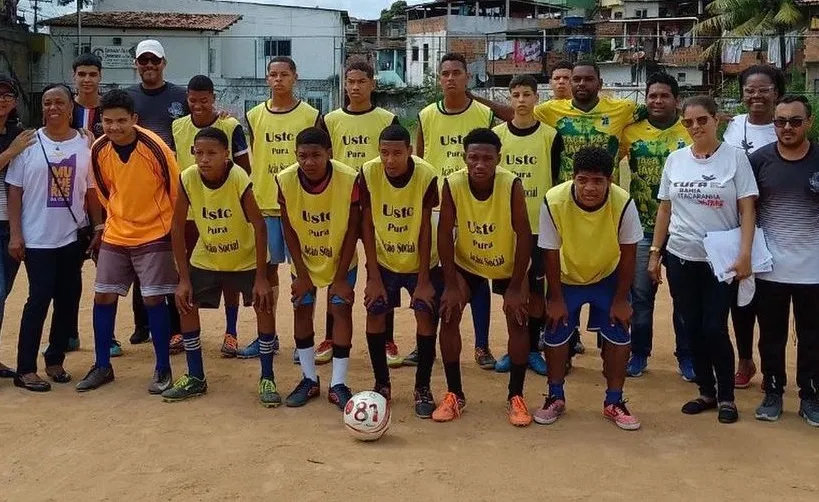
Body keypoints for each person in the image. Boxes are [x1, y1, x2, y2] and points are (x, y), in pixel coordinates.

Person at [650, 95, 757, 424]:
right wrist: (656, 253)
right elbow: (665, 208)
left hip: (720, 260)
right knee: (691, 326)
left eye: (702, 120)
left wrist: (745, 253)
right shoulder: (676, 160)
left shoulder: (735, 159)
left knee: (714, 326)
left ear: (716, 120)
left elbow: (747, 208)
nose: (695, 127)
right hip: (681, 256)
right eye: (688, 122)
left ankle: (727, 396)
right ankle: (706, 391)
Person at [75, 89, 181, 393]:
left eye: (122, 121)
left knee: (153, 299)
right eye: (108, 122)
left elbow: (174, 192)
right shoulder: (99, 149)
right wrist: (114, 220)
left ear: (134, 119)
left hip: (154, 232)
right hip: (117, 232)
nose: (115, 127)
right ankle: (102, 365)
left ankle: (162, 369)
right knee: (103, 296)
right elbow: (104, 190)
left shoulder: (155, 147)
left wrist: (172, 236)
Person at [164, 127, 277, 405]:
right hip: (208, 255)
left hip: (245, 258)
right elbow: (177, 228)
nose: (204, 159)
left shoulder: (237, 176)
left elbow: (260, 227)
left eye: (212, 153)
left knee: (264, 304)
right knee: (186, 302)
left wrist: (262, 277)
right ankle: (195, 376)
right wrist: (183, 278)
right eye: (198, 152)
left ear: (226, 155)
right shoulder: (188, 178)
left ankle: (267, 377)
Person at [537, 146, 643, 431]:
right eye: (582, 180)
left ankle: (614, 401)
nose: (590, 188)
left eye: (598, 181)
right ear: (573, 178)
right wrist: (556, 298)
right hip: (567, 277)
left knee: (619, 333)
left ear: (610, 180)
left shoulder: (623, 202)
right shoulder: (554, 200)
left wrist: (621, 299)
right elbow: (549, 251)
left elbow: (629, 253)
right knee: (556, 332)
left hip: (606, 276)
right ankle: (555, 397)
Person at [433, 127, 533, 427]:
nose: (479, 165)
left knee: (517, 316)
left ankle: (516, 396)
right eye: (473, 158)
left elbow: (525, 234)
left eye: (487, 159)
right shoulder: (452, 183)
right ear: (464, 158)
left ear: (498, 159)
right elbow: (444, 232)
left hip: (507, 263)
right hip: (469, 261)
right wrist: (450, 284)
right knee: (449, 314)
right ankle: (454, 393)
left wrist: (516, 286)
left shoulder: (511, 184)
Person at [6, 84, 100, 391]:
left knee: (68, 299)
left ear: (71, 107)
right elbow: (15, 192)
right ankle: (25, 368)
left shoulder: (84, 145)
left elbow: (90, 191)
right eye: (47, 103)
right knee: (38, 299)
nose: (53, 108)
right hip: (37, 239)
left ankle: (55, 359)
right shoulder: (29, 144)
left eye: (59, 102)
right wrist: (17, 235)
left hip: (71, 237)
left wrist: (98, 227)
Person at [413, 52, 496, 370]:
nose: (450, 78)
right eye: (445, 73)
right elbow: (420, 159)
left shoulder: (483, 114)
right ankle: (425, 344)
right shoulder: (426, 115)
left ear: (466, 77)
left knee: (477, 276)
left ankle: (482, 345)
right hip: (437, 208)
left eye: (456, 73)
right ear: (439, 78)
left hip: (474, 207)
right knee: (436, 277)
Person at [320, 60, 403, 367]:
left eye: (361, 81)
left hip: (375, 203)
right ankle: (331, 335)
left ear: (372, 84)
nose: (355, 87)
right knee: (336, 267)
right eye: (350, 81)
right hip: (340, 204)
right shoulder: (329, 119)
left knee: (380, 268)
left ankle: (387, 338)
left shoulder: (387, 118)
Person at [240, 56, 320, 361]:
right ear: (266, 79)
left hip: (301, 206)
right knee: (266, 272)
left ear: (295, 78)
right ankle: (267, 337)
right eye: (273, 74)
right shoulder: (254, 115)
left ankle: (304, 343)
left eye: (284, 74)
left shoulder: (312, 115)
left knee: (304, 271)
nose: (278, 79)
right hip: (265, 204)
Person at [618, 72, 693, 381]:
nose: (657, 101)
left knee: (684, 298)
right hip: (641, 227)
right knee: (640, 297)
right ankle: (639, 353)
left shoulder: (690, 131)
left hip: (684, 229)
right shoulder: (631, 132)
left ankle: (687, 356)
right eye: (652, 96)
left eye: (664, 96)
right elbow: (608, 164)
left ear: (676, 100)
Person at [277, 127, 359, 410]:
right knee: (302, 309)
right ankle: (309, 378)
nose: (309, 162)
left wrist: (340, 278)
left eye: (316, 155)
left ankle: (338, 383)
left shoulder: (349, 179)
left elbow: (353, 229)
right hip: (305, 257)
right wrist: (301, 273)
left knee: (340, 309)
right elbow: (287, 226)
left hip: (341, 258)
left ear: (329, 154)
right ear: (295, 155)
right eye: (303, 156)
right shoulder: (285, 180)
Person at [359, 124, 439, 414]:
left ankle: (422, 386)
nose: (390, 160)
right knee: (375, 313)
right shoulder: (368, 172)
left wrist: (424, 279)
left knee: (425, 316)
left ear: (410, 151)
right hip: (384, 259)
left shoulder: (427, 174)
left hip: (421, 261)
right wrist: (372, 276)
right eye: (384, 153)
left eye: (396, 153)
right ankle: (382, 383)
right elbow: (365, 223)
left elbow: (424, 227)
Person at [749, 95, 819, 427]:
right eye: (780, 121)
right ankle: (773, 391)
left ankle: (811, 395)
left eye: (794, 121)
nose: (787, 127)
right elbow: (744, 210)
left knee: (813, 337)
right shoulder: (758, 161)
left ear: (809, 122)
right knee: (772, 336)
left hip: (814, 270)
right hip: (770, 269)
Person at [172, 74, 251, 358]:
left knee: (228, 273)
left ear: (213, 98)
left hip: (227, 211)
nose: (198, 106)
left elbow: (245, 169)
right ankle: (186, 330)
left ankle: (231, 332)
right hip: (192, 211)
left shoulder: (230, 126)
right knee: (188, 272)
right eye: (193, 100)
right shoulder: (178, 127)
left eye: (204, 100)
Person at [492, 74, 560, 376]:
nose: (521, 100)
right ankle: (513, 347)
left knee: (535, 292)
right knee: (511, 291)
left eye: (527, 94)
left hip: (539, 228)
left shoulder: (550, 136)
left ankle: (532, 348)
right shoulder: (497, 136)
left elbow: (556, 179)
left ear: (537, 98)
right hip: (506, 228)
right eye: (516, 94)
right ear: (510, 98)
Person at [722, 65, 783, 390]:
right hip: (737, 225)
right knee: (739, 298)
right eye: (750, 90)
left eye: (764, 89)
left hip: (776, 223)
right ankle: (745, 360)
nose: (757, 95)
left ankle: (772, 365)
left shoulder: (785, 126)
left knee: (770, 300)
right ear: (742, 93)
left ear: (776, 92)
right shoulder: (733, 126)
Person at [125, 39, 188, 349]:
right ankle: (143, 323)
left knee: (171, 257)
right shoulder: (128, 98)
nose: (149, 66)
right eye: (143, 61)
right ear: (136, 64)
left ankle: (176, 325)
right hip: (137, 189)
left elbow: (200, 125)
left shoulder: (180, 96)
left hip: (172, 189)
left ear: (164, 63)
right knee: (140, 256)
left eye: (154, 61)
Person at [0, 75, 33, 379]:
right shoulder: (16, 141)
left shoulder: (17, 132)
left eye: (8, 94)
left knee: (3, 292)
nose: (2, 99)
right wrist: (11, 152)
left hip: (9, 225)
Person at [71, 53, 103, 138]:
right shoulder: (66, 108)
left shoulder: (110, 107)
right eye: (82, 74)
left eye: (93, 75)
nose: (87, 80)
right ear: (74, 76)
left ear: (100, 76)